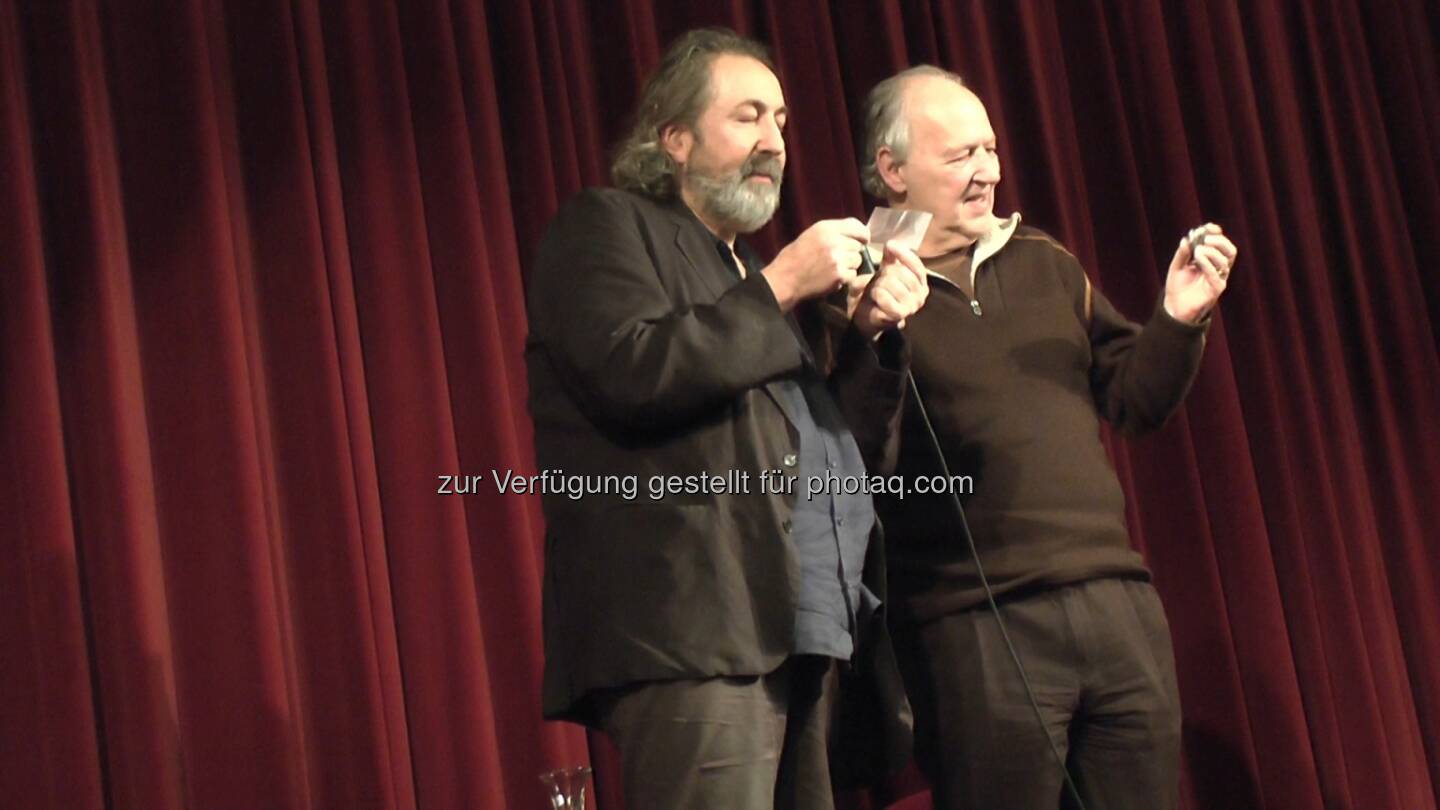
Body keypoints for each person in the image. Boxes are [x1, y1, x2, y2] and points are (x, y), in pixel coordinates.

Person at [526, 29, 927, 809]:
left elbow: (839, 455)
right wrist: (779, 287)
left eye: (780, 122)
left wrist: (868, 341)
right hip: (694, 635)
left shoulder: (750, 274)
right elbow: (633, 374)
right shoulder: (605, 228)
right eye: (748, 117)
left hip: (804, 629)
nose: (774, 142)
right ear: (674, 138)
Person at [857, 65, 1239, 809]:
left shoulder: (1042, 257)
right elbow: (860, 458)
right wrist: (873, 335)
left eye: (990, 151)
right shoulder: (855, 287)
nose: (987, 172)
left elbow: (1133, 401)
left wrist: (1178, 317)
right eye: (960, 155)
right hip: (976, 628)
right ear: (892, 170)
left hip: (1115, 605)